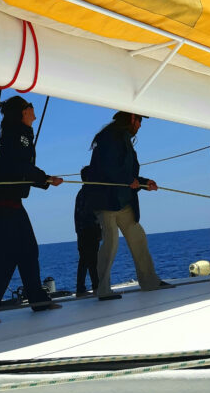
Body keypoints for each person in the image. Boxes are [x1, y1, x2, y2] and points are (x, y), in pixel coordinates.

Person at [0, 95, 63, 324]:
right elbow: (20, 166)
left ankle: (38, 301)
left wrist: (44, 180)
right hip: (2, 204)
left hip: (9, 203)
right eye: (30, 106)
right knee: (6, 256)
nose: (33, 109)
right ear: (24, 112)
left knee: (28, 251)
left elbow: (20, 169)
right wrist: (45, 179)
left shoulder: (19, 133)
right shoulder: (19, 134)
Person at [89, 111, 174, 300]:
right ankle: (103, 289)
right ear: (131, 118)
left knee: (138, 238)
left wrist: (144, 183)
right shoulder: (109, 137)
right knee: (111, 243)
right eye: (139, 120)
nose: (140, 125)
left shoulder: (123, 139)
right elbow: (108, 167)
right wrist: (129, 180)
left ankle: (150, 281)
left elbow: (127, 172)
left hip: (123, 200)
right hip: (107, 200)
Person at [74, 165, 101, 296]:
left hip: (82, 231)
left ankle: (80, 289)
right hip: (90, 230)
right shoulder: (91, 193)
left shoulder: (81, 193)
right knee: (92, 260)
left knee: (84, 260)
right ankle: (97, 287)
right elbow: (91, 214)